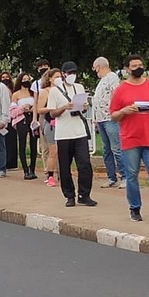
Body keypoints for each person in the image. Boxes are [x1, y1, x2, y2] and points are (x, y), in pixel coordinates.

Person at [110, 54, 149, 221]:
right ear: (127, 69)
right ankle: (134, 208)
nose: (138, 68)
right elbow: (113, 115)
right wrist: (124, 111)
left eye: (140, 65)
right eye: (134, 66)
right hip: (130, 138)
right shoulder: (121, 89)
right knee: (132, 174)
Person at [47, 61, 96, 208]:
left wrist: (84, 107)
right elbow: (52, 113)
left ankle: (84, 194)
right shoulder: (55, 91)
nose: (71, 76)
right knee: (64, 166)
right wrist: (64, 107)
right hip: (63, 134)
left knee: (85, 164)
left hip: (79, 131)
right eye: (69, 73)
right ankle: (69, 195)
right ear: (63, 74)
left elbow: (83, 109)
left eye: (74, 73)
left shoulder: (79, 87)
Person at [92, 57, 125, 188]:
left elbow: (116, 94)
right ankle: (111, 177)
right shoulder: (101, 81)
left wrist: (114, 111)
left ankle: (125, 176)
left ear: (99, 66)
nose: (95, 71)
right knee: (106, 150)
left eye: (95, 68)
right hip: (101, 119)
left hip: (110, 118)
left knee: (116, 148)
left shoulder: (112, 77)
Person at [35, 67, 60, 187]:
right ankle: (50, 175)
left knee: (63, 150)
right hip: (50, 122)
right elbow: (39, 109)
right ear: (50, 79)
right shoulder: (45, 91)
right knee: (53, 151)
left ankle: (63, 174)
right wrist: (51, 108)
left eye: (61, 77)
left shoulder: (63, 90)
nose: (59, 79)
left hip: (63, 122)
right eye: (56, 77)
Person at [12, 72, 39, 180]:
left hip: (32, 118)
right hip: (21, 119)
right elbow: (12, 110)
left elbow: (37, 104)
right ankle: (25, 170)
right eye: (24, 79)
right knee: (22, 144)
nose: (26, 81)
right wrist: (22, 108)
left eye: (28, 79)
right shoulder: (16, 94)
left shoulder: (33, 93)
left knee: (33, 144)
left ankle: (32, 168)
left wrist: (32, 108)